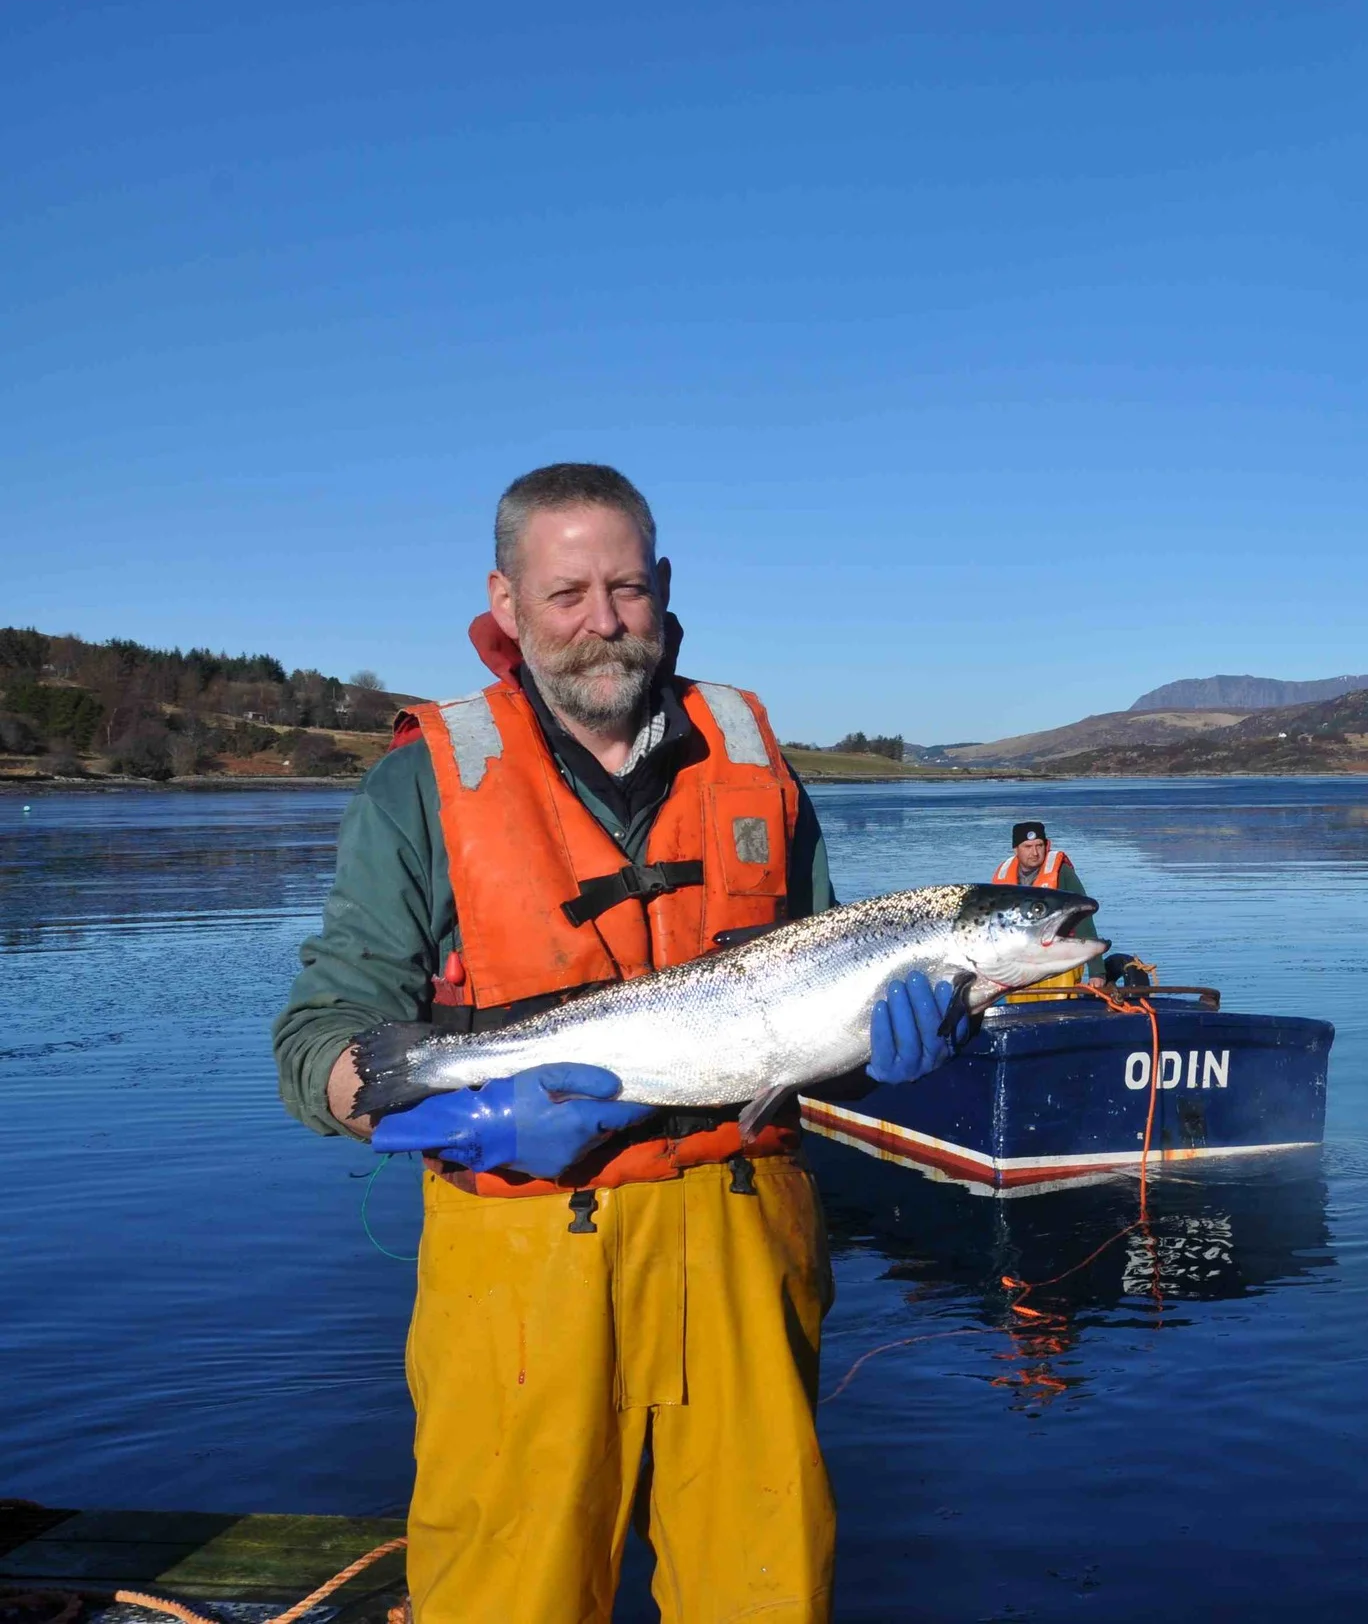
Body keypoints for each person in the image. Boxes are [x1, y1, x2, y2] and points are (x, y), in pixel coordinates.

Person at [271, 463, 957, 1622]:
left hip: (746, 1240)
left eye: (628, 589)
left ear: (666, 586)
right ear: (505, 601)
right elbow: (318, 1038)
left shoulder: (756, 764)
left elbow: (817, 999)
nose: (603, 623)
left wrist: (899, 1050)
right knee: (507, 1595)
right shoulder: (422, 786)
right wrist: (449, 1110)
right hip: (518, 1268)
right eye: (567, 593)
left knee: (767, 1589)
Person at [992, 821, 1106, 992]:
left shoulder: (1062, 873)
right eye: (1028, 846)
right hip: (1019, 963)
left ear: (1047, 845)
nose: (1035, 852)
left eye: (1039, 845)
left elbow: (1084, 919)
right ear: (1016, 849)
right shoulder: (1003, 876)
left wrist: (1097, 971)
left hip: (1060, 959)